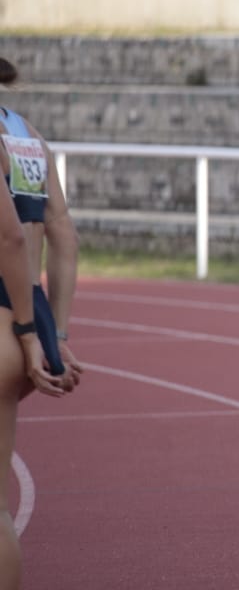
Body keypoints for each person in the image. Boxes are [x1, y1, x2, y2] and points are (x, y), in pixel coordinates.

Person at [0, 59, 71, 590]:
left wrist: (25, 332)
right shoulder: (27, 134)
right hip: (32, 316)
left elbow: (11, 240)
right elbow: (62, 235)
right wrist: (55, 336)